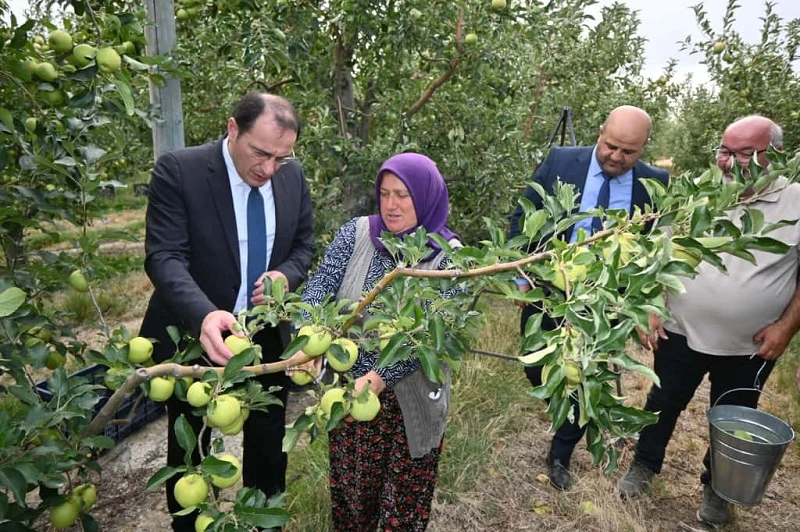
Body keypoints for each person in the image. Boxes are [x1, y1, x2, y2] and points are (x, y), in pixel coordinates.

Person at [138, 92, 315, 532]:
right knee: (189, 449)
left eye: (282, 157)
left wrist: (285, 276)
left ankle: (263, 522)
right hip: (195, 334)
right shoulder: (181, 171)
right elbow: (164, 256)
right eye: (260, 152)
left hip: (266, 336)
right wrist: (203, 314)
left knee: (269, 443)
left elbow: (304, 246)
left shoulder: (292, 180)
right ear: (233, 128)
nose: (270, 168)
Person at [618, 115, 800, 527]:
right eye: (724, 151)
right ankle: (644, 465)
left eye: (745, 153)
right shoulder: (696, 195)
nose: (730, 163)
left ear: (776, 155)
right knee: (662, 402)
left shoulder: (797, 203)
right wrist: (649, 304)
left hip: (749, 343)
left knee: (734, 415)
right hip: (679, 328)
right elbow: (657, 256)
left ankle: (718, 490)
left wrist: (786, 328)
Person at [294, 152, 461, 531]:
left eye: (403, 195)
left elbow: (429, 341)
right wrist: (307, 337)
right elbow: (318, 288)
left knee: (400, 510)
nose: (391, 205)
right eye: (384, 194)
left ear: (426, 196)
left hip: (410, 403)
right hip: (351, 396)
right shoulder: (356, 235)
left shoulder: (451, 260)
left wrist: (378, 378)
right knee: (354, 501)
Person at [508, 105, 669, 491]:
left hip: (605, 302)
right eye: (610, 146)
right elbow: (523, 216)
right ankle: (560, 409)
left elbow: (656, 250)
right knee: (537, 365)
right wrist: (522, 276)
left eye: (628, 152)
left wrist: (645, 302)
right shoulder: (561, 161)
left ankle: (562, 452)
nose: (616, 157)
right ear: (600, 133)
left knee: (583, 379)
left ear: (644, 147)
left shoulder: (655, 183)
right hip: (552, 289)